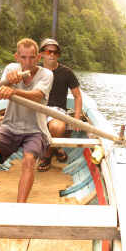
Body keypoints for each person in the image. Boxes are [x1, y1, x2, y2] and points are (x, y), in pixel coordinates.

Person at [0, 38, 53, 203]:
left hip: (36, 130)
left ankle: (20, 208)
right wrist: (8, 85)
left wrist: (13, 92)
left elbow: (37, 96)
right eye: (24, 57)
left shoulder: (46, 74)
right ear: (17, 57)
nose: (28, 62)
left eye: (32, 57)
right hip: (10, 126)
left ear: (38, 58)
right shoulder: (11, 69)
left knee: (29, 159)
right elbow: (1, 90)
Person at [37, 38, 83, 171]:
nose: (52, 54)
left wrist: (77, 118)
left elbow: (77, 96)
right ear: (42, 54)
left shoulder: (66, 72)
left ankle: (47, 155)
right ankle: (58, 148)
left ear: (58, 55)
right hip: (37, 108)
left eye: (55, 52)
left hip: (57, 110)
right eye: (48, 51)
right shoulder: (35, 71)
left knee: (57, 127)